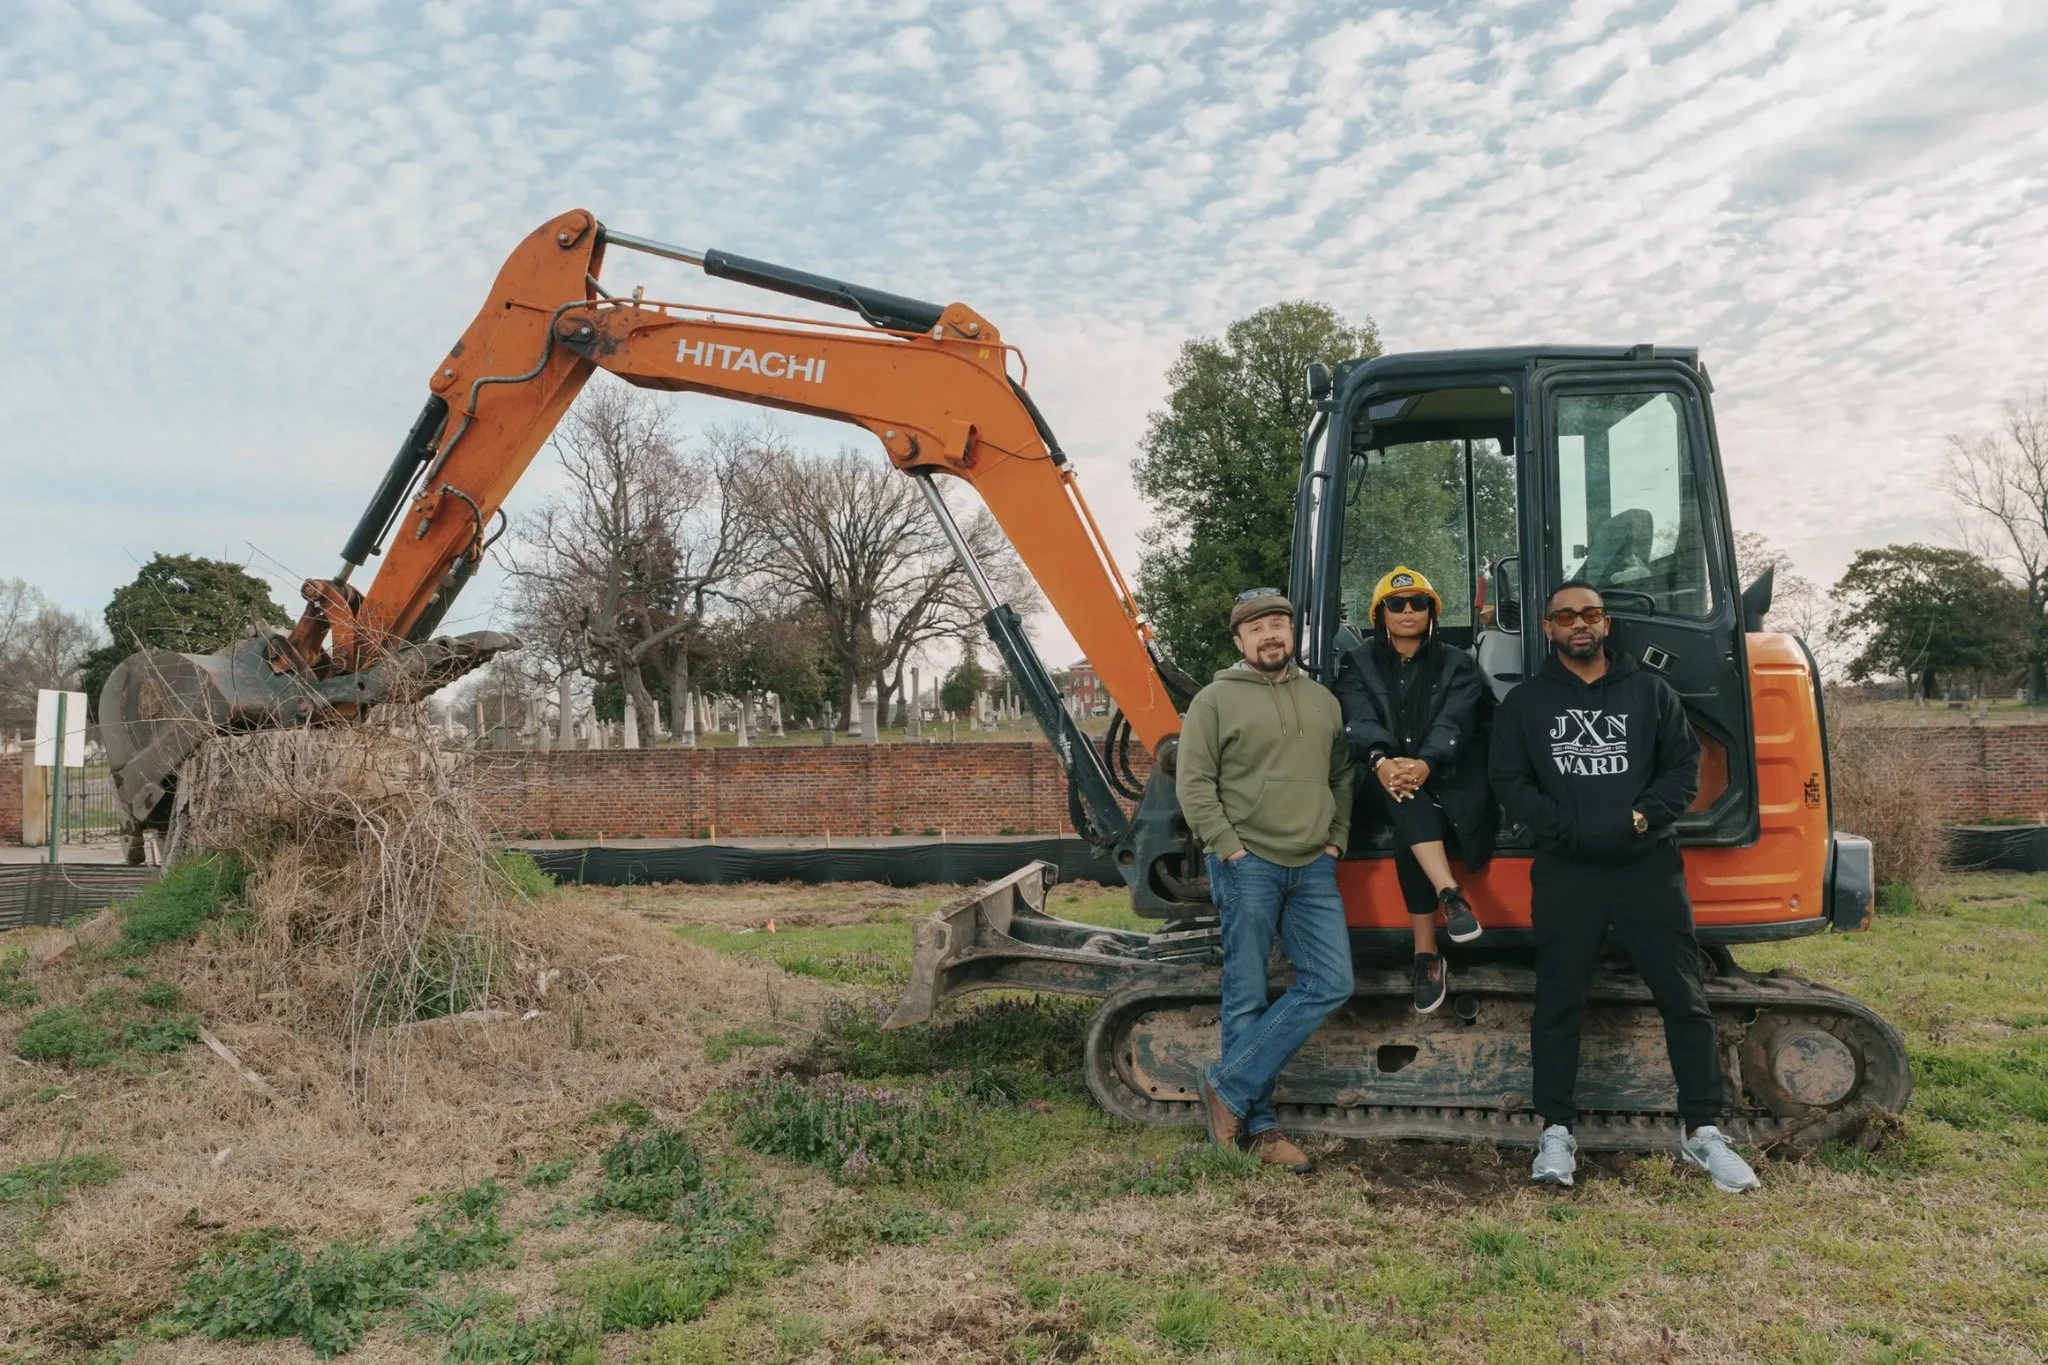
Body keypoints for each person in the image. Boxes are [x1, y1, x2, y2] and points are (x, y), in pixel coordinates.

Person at [1489, 581, 1760, 1193]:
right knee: (1559, 1001)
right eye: (1565, 616)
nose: (1578, 624)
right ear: (1548, 628)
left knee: (1683, 997)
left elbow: (1682, 769)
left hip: (1646, 868)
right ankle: (1556, 1132)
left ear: (1605, 623)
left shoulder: (1650, 692)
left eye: (1589, 614)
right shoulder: (1527, 704)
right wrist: (1572, 828)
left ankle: (1703, 1133)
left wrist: (1637, 819)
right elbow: (1510, 781)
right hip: (1566, 870)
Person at [1175, 588, 1355, 1174]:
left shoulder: (1323, 700)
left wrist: (1336, 837)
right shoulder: (1214, 700)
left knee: (1331, 981)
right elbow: (1194, 782)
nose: (1270, 635)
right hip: (1247, 863)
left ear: (1293, 632)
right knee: (1247, 992)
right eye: (1257, 629)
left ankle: (1226, 1085)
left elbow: (1342, 773)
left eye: (1279, 624)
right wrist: (1229, 848)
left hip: (1313, 864)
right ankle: (1261, 1127)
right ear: (1240, 641)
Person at [1333, 566, 1495, 1013]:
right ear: (1379, 613)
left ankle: (1426, 955)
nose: (1407, 611)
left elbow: (1456, 720)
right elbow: (1358, 717)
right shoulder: (1358, 663)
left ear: (1432, 612)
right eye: (1396, 604)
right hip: (1374, 777)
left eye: (1418, 603)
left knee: (1409, 816)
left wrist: (1424, 762)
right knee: (1399, 793)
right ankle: (1450, 893)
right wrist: (1381, 761)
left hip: (1438, 779)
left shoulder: (1458, 664)